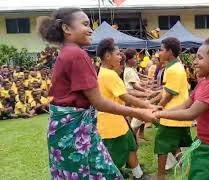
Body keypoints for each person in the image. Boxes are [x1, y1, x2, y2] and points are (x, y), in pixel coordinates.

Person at [37, 7, 156, 179]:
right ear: (66, 28)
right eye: (85, 24)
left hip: (74, 130)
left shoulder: (68, 53)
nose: (91, 29)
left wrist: (143, 106)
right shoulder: (76, 54)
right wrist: (140, 112)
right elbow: (99, 102)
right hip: (75, 133)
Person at [154, 36, 209, 180]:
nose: (194, 62)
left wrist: (159, 115)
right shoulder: (203, 83)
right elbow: (184, 105)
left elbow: (190, 113)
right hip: (205, 143)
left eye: (199, 58)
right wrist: (160, 111)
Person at [96, 38, 155, 180]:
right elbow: (126, 97)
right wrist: (147, 105)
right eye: (117, 54)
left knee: (130, 146)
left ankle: (138, 174)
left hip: (117, 122)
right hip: (111, 126)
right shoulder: (109, 75)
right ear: (107, 56)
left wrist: (147, 97)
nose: (120, 57)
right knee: (115, 154)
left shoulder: (106, 73)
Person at [155, 37, 193, 180]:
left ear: (170, 52)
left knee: (162, 146)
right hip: (177, 114)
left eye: (161, 49)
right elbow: (166, 90)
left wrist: (159, 108)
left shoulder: (174, 69)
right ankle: (187, 169)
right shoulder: (172, 67)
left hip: (172, 115)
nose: (159, 53)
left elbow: (169, 94)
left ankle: (160, 176)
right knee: (174, 146)